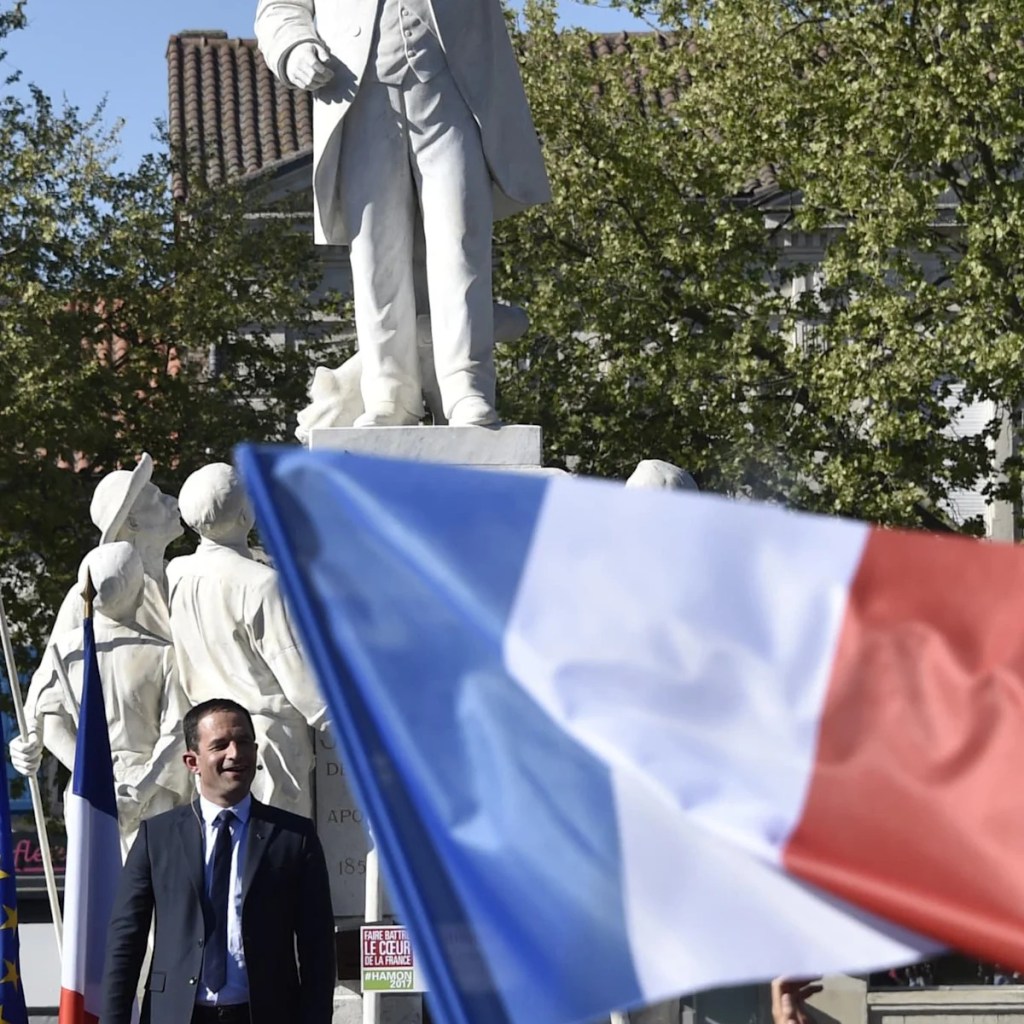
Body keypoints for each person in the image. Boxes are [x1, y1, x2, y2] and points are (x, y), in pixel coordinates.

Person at [255, 0, 551, 428]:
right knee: (375, 252)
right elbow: (279, 6)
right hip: (355, 90)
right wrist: (295, 46)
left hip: (452, 84)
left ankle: (467, 385)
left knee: (461, 241)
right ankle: (389, 392)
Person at [102, 698, 336, 1024]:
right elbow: (125, 942)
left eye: (243, 742)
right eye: (220, 745)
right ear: (192, 760)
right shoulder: (156, 838)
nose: (235, 754)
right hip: (177, 1016)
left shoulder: (293, 837)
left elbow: (318, 948)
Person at [167, 464, 328, 816]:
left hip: (206, 738)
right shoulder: (261, 585)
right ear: (244, 514)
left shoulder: (176, 573)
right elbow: (302, 682)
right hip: (262, 743)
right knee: (272, 854)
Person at [9, 544, 192, 847]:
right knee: (150, 890)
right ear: (137, 592)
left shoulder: (64, 653)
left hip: (91, 789)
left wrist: (96, 777)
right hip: (145, 790)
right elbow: (176, 732)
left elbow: (53, 728)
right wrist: (138, 790)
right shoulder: (163, 654)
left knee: (94, 890)